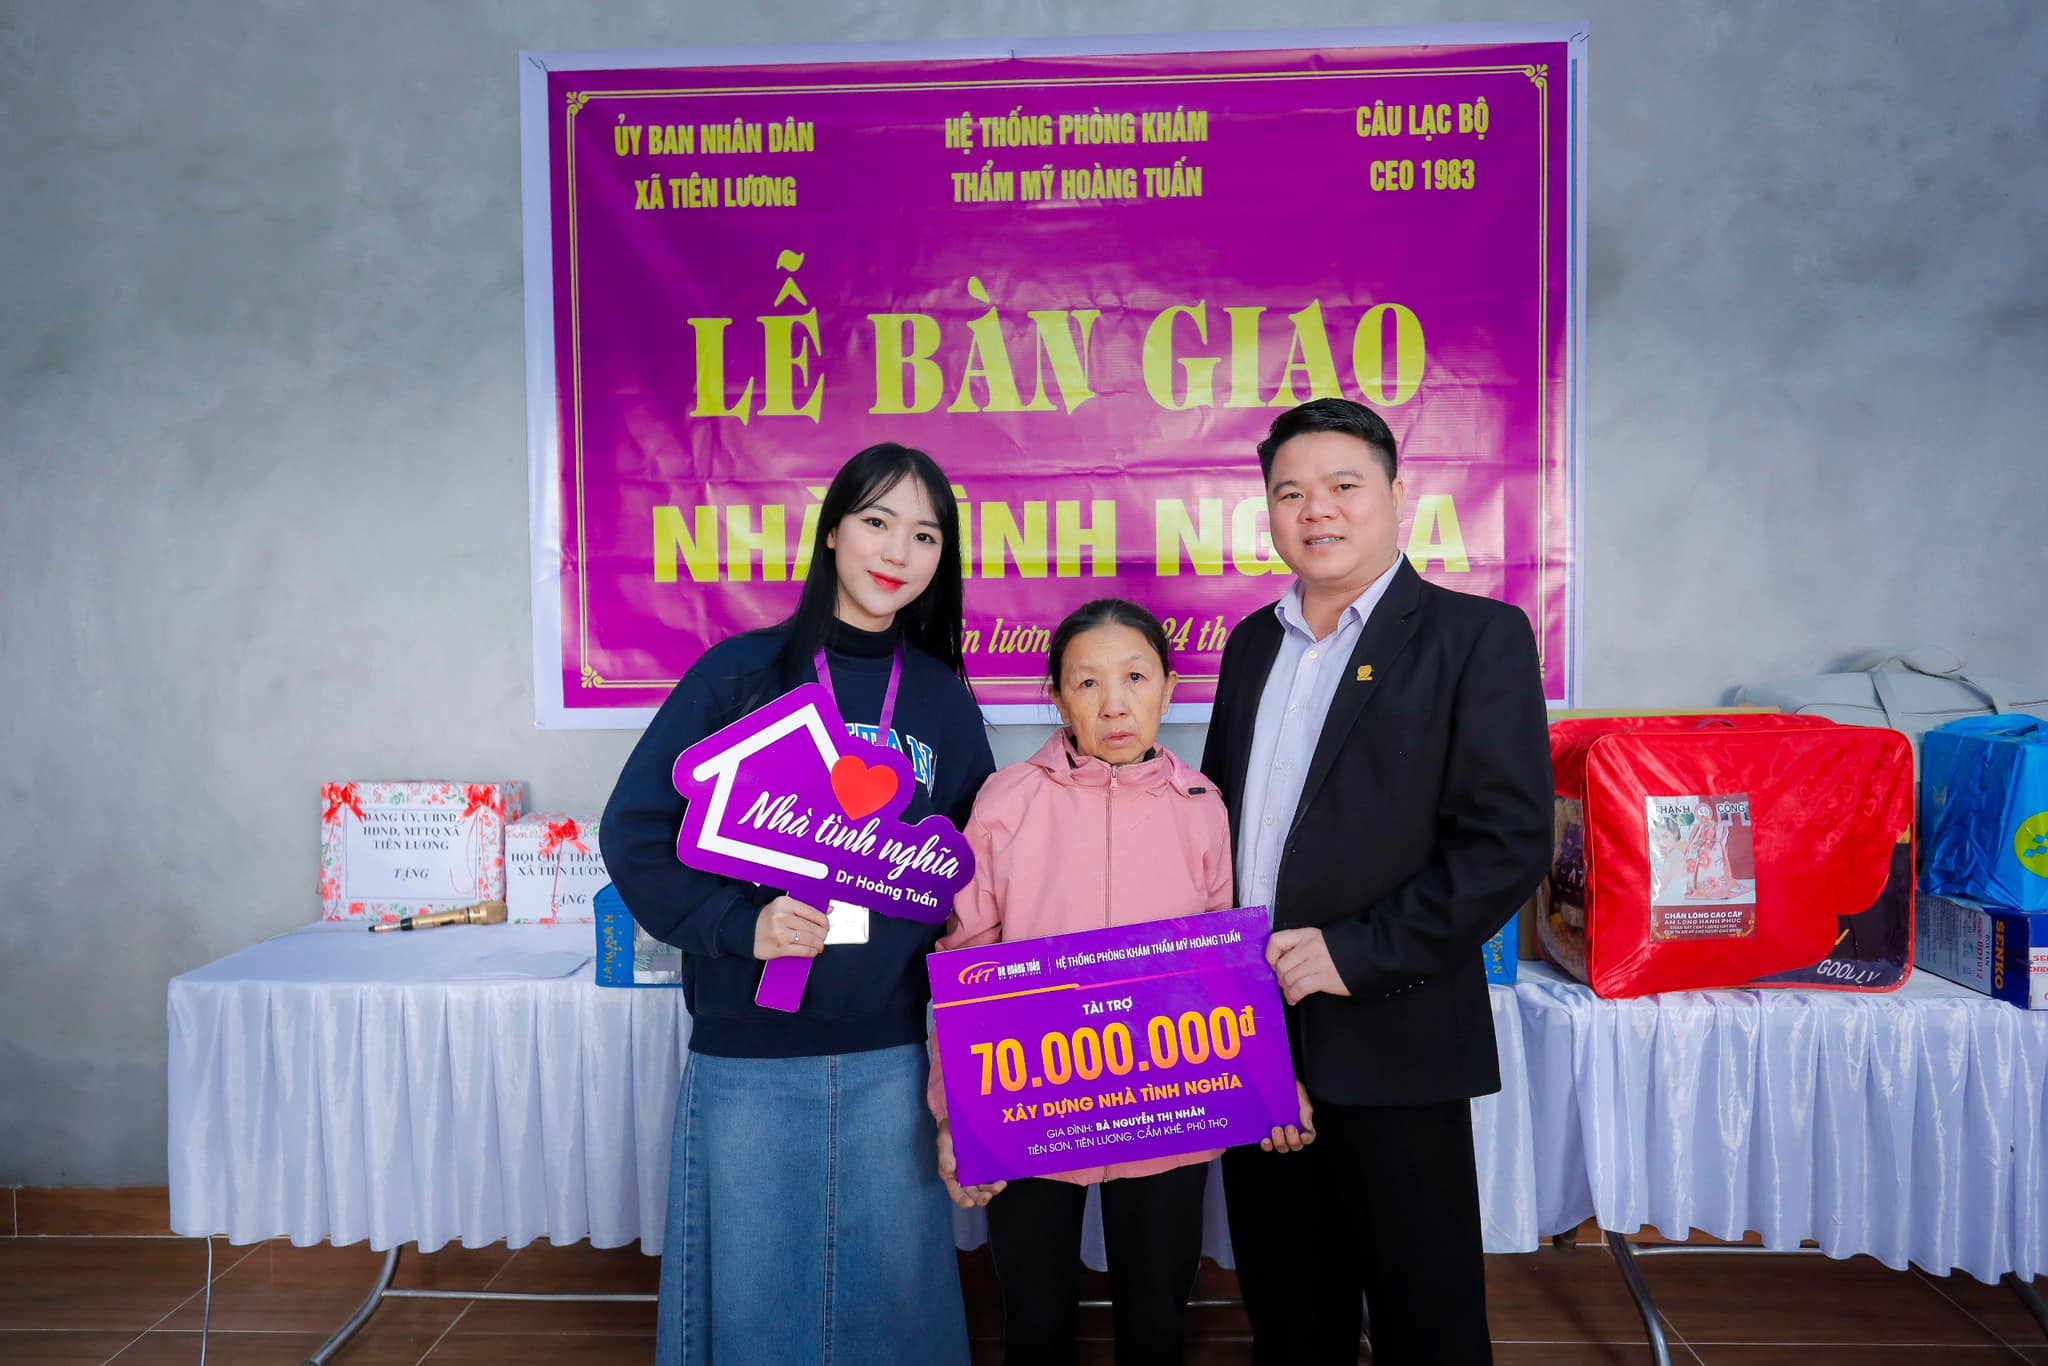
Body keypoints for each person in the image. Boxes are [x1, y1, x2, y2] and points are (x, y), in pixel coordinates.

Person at [601, 442, 995, 1366]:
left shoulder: (940, 700)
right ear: (830, 534)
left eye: (925, 535)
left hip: (891, 1053)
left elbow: (976, 877)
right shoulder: (740, 675)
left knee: (892, 1306)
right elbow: (635, 832)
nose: (897, 550)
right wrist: (741, 926)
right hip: (750, 1051)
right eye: (876, 521)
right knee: (758, 1306)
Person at [1200, 398, 1553, 1365]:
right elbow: (1222, 830)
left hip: (1396, 1033)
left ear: (1399, 495)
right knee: (1289, 1317)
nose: (1316, 510)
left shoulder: (1476, 636)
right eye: (1290, 493)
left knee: (1425, 1324)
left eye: (1343, 485)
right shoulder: (1252, 644)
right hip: (1253, 1038)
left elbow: (1507, 842)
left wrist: (1354, 955)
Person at [930, 599, 1235, 1366]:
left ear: (1169, 688)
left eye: (1135, 677)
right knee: (1034, 1319)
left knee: (1157, 1318)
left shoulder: (1202, 806)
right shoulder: (1006, 800)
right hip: (1029, 1099)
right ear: (1059, 698)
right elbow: (966, 966)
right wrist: (955, 1114)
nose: (1114, 703)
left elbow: (1223, 969)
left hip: (1167, 1102)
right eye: (1087, 682)